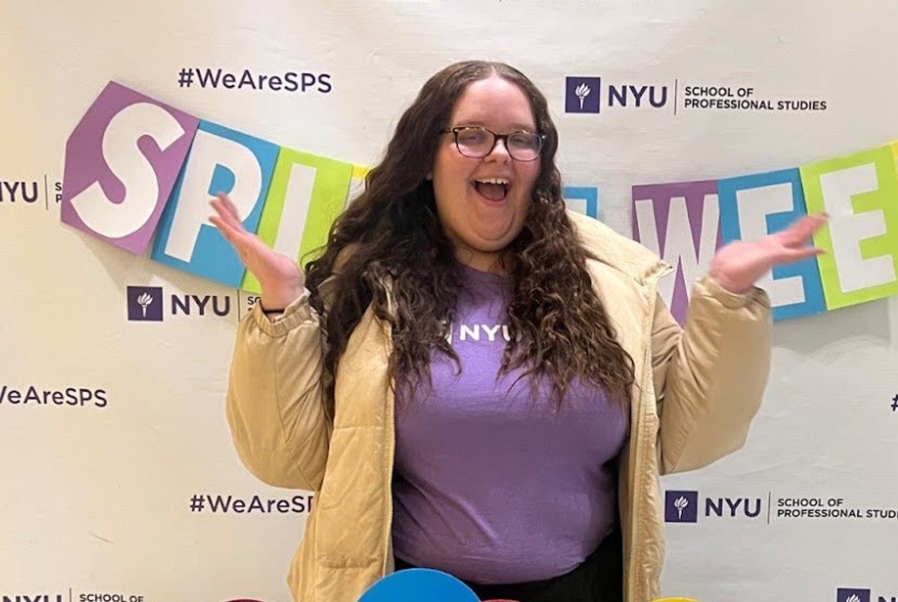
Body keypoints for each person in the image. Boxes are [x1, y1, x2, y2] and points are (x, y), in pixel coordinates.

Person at [210, 60, 826, 602]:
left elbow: (692, 439)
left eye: (520, 139)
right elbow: (285, 459)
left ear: (539, 161)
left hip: (584, 590)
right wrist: (281, 307)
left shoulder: (613, 284)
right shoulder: (369, 286)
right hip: (414, 592)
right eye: (472, 135)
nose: (499, 153)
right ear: (428, 157)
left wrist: (726, 297)